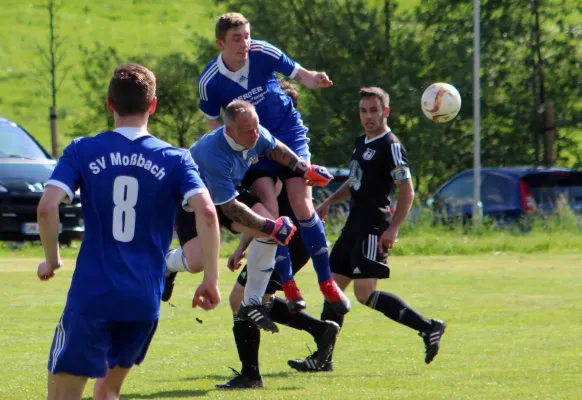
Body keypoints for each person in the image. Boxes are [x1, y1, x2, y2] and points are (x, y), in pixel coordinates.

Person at [37, 63, 221, 400]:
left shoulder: (82, 149)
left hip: (93, 297)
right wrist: (210, 279)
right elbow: (208, 212)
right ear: (153, 105)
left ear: (109, 105)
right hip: (142, 301)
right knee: (108, 391)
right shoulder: (176, 159)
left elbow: (47, 208)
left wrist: (52, 260)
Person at [197, 12, 350, 314]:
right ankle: (289, 285)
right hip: (252, 145)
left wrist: (314, 79)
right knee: (270, 211)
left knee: (302, 203)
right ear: (220, 43)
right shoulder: (209, 81)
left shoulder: (263, 53)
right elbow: (214, 124)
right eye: (237, 39)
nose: (245, 44)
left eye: (247, 36)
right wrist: (232, 152)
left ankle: (327, 282)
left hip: (286, 134)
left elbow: (301, 75)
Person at [287, 87, 447, 372]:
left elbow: (407, 191)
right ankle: (324, 359)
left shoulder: (391, 145)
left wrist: (393, 228)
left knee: (364, 294)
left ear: (386, 111)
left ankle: (428, 326)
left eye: (374, 110)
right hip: (353, 225)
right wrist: (327, 204)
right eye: (364, 111)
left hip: (374, 225)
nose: (368, 116)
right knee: (332, 289)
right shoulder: (362, 141)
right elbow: (355, 180)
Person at [164, 100, 335, 331]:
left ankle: (252, 303)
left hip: (227, 194)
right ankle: (167, 264)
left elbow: (276, 149)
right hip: (193, 201)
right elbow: (231, 209)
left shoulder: (255, 132)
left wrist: (305, 169)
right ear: (229, 131)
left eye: (256, 127)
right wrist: (269, 226)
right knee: (197, 263)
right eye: (248, 131)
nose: (255, 134)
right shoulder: (213, 155)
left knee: (273, 231)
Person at [216, 184, 340, 389]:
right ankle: (321, 330)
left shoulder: (267, 162)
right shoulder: (262, 163)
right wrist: (241, 247)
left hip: (287, 239)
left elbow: (268, 211)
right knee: (253, 299)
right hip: (281, 237)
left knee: (243, 300)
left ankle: (251, 375)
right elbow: (260, 215)